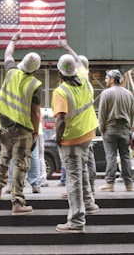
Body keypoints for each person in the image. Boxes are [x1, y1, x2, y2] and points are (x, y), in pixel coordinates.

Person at [0, 30, 42, 216]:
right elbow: (35, 112)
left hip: (5, 125)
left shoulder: (11, 71)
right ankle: (17, 202)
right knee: (20, 164)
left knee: (4, 157)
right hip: (23, 129)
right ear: (35, 69)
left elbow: (7, 54)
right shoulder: (35, 84)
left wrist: (13, 39)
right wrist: (35, 132)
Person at [52, 47, 99, 233]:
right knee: (83, 171)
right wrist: (66, 46)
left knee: (73, 179)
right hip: (87, 134)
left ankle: (77, 221)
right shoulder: (86, 82)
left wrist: (57, 138)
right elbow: (79, 63)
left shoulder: (60, 92)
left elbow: (61, 119)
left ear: (59, 72)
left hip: (70, 140)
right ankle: (89, 204)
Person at [98, 69, 134, 192]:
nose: (105, 80)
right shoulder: (129, 94)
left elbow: (102, 113)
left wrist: (101, 129)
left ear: (112, 79)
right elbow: (132, 113)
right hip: (125, 129)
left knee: (111, 156)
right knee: (125, 157)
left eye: (107, 78)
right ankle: (128, 184)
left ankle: (109, 183)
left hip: (110, 128)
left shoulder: (106, 93)